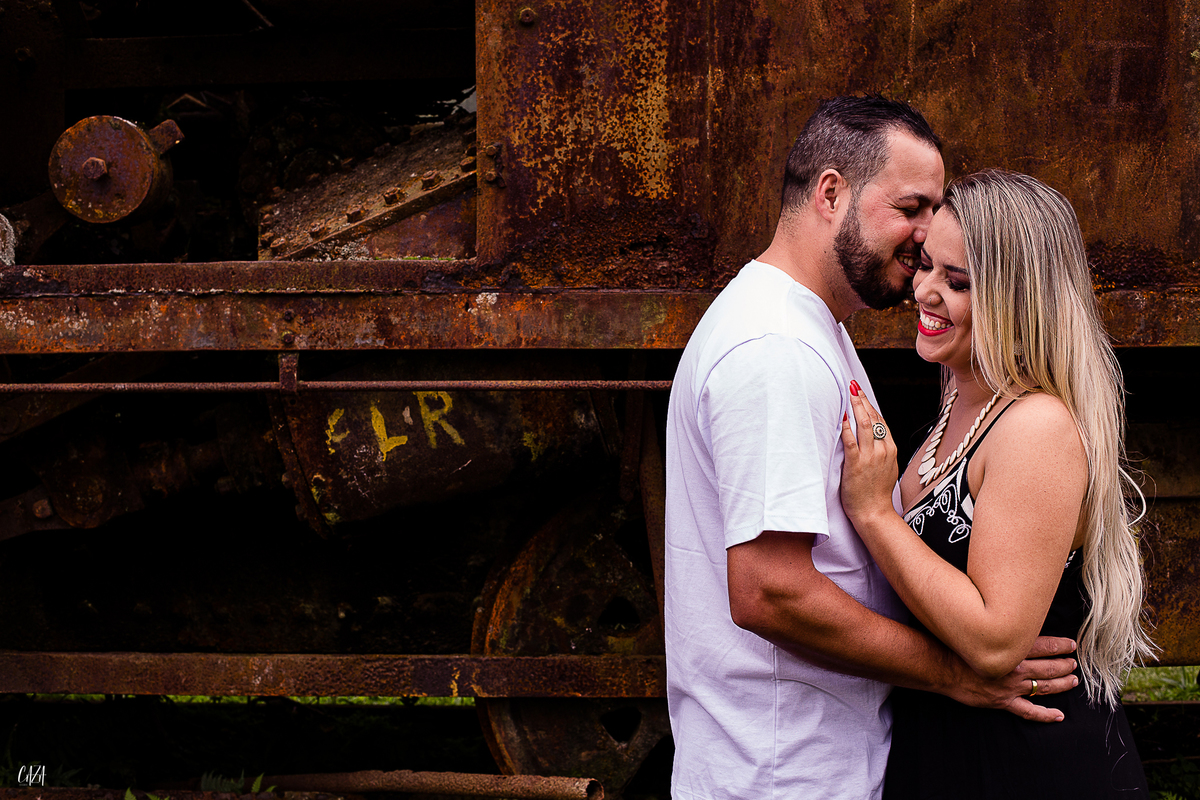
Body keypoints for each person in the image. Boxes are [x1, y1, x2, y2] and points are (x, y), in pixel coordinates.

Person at [665, 97, 1078, 800]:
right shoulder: (775, 347)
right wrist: (954, 673)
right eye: (911, 207)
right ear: (832, 193)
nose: (926, 238)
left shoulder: (808, 327)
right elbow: (771, 590)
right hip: (784, 770)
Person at [840, 169, 1154, 798]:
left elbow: (993, 642)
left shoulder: (1035, 424)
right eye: (925, 264)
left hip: (1029, 766)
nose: (925, 291)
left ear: (1018, 297)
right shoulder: (959, 399)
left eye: (957, 282)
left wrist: (875, 514)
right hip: (954, 751)